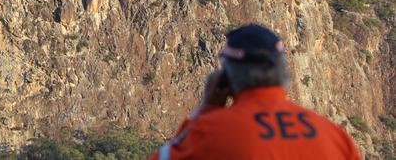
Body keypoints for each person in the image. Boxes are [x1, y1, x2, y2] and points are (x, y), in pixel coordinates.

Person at [149, 24, 361, 160]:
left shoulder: (211, 132)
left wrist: (206, 109)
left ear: (227, 76)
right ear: (283, 70)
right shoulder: (335, 136)